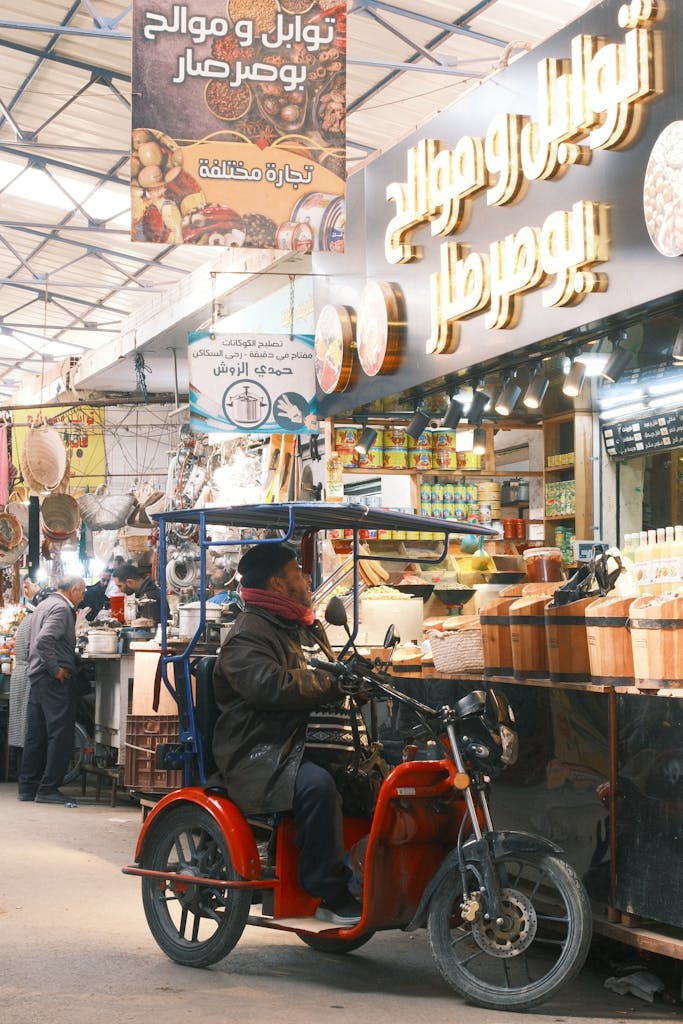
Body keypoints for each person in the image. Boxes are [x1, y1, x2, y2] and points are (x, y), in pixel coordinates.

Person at [211, 542, 362, 927]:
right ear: (279, 584)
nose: (306, 579)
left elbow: (328, 672)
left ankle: (365, 875)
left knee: (381, 780)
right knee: (318, 787)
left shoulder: (301, 625)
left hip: (305, 741)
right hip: (262, 750)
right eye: (298, 572)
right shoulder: (248, 633)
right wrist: (331, 683)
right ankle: (327, 889)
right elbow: (270, 687)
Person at [18, 574, 86, 805]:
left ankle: (28, 787)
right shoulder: (60, 608)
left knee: (36, 733)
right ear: (73, 590)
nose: (83, 597)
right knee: (60, 733)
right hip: (51, 679)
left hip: (38, 675)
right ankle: (47, 789)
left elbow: (32, 641)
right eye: (82, 592)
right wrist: (56, 669)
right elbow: (43, 641)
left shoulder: (44, 603)